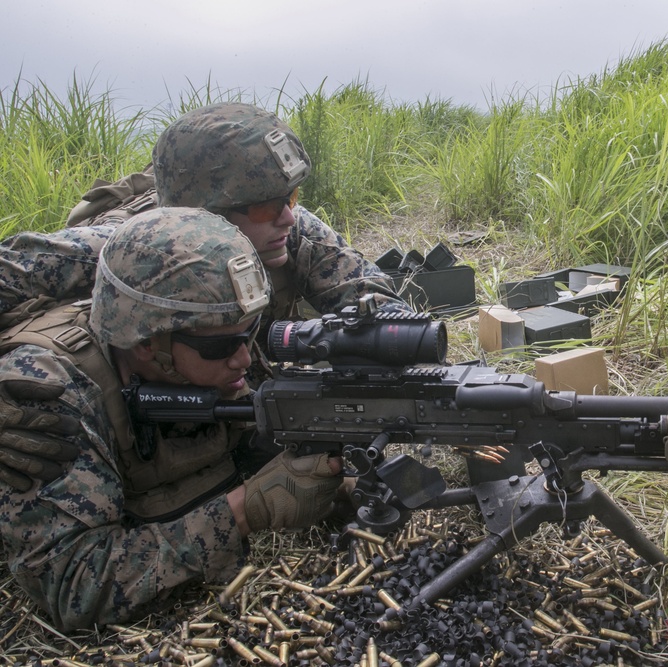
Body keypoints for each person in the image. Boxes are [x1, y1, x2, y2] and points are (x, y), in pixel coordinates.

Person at [0, 102, 413, 492]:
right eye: (265, 207)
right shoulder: (130, 256)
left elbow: (365, 291)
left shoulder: (286, 225)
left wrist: (393, 335)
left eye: (290, 197)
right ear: (206, 215)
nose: (288, 216)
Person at [0, 208, 347, 631]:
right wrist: (244, 510)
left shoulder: (205, 322)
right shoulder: (47, 395)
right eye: (223, 346)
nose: (243, 357)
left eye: (251, 332)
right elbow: (75, 587)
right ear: (147, 343)